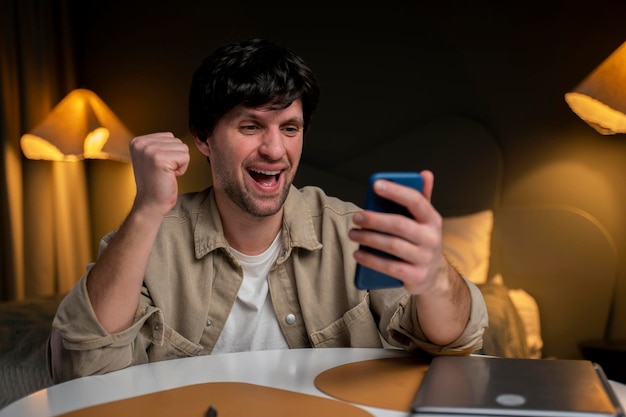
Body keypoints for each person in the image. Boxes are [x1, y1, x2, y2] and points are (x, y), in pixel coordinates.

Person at [48, 38, 488, 382]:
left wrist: (434, 276)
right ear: (203, 138)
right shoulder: (150, 241)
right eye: (251, 125)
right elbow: (81, 363)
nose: (275, 149)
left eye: (289, 128)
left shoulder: (353, 231)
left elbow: (454, 339)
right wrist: (146, 209)